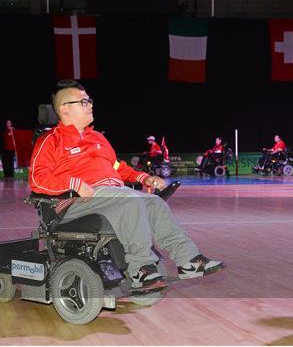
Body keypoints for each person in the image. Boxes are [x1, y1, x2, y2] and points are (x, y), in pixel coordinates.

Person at [30, 80, 224, 289]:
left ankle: (188, 260)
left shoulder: (97, 138)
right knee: (130, 200)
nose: (91, 105)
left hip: (111, 194)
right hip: (74, 202)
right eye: (84, 101)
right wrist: (74, 183)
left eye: (90, 100)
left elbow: (116, 167)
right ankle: (140, 269)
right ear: (65, 109)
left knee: (155, 203)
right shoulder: (50, 141)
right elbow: (38, 179)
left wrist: (143, 178)